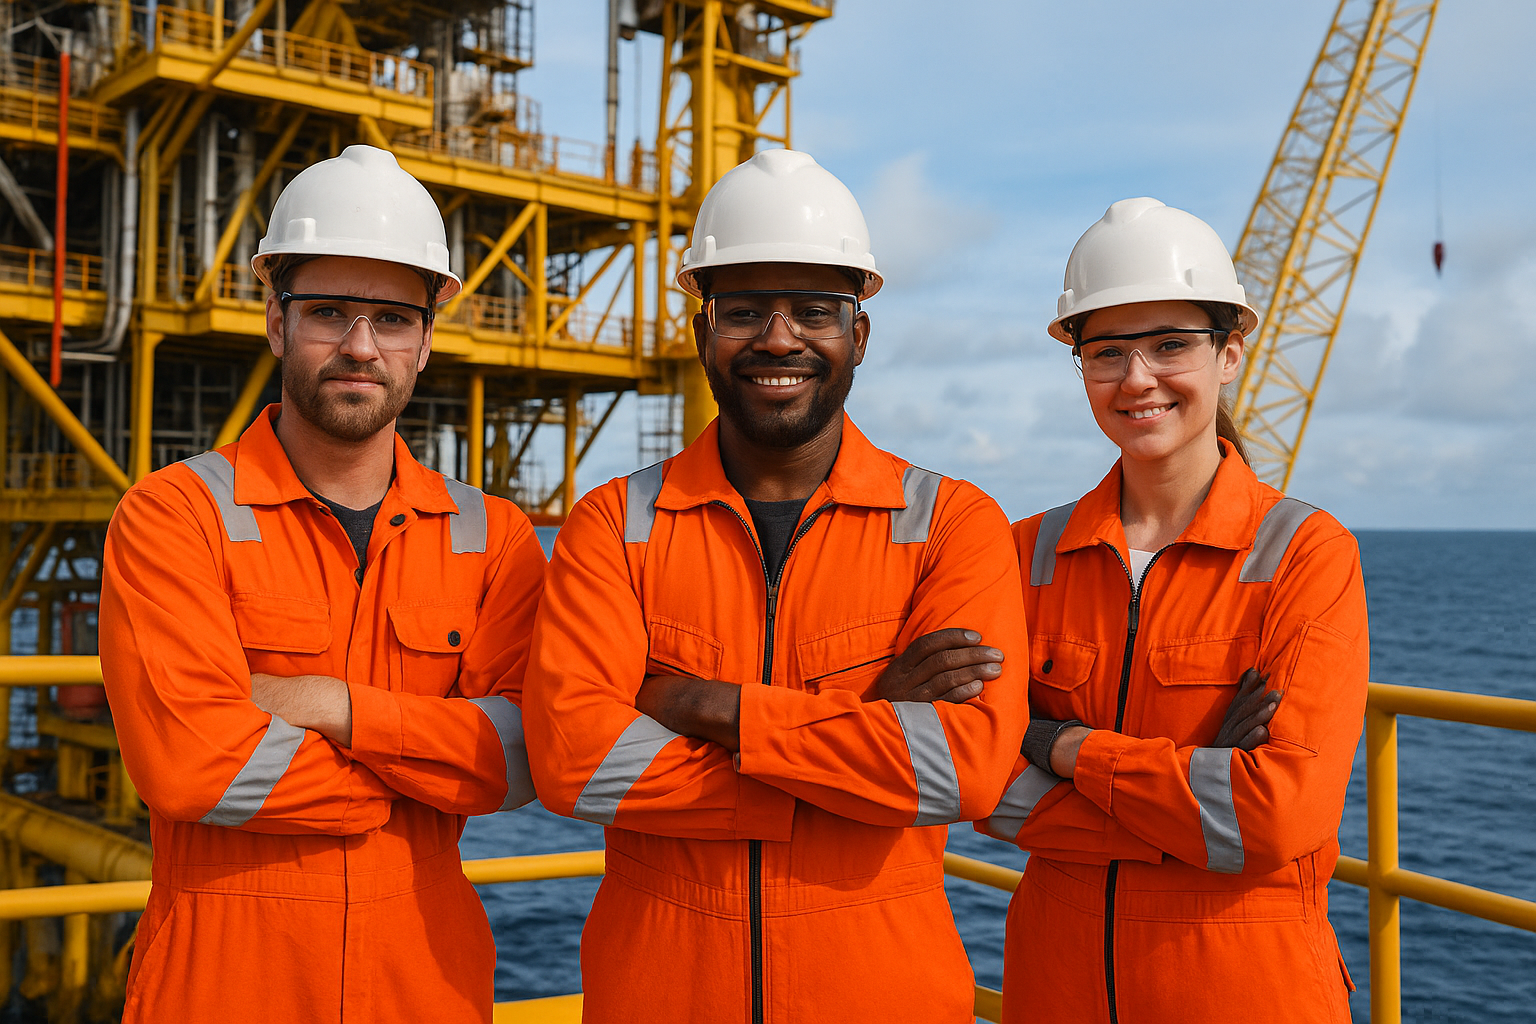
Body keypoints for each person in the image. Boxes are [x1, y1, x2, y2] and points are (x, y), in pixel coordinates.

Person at [523, 149, 1029, 1023]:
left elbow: (961, 775)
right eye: (746, 310)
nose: (779, 338)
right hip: (662, 998)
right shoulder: (613, 522)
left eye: (814, 311)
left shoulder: (951, 523)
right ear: (702, 332)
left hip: (880, 999)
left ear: (858, 336)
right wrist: (867, 722)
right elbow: (578, 766)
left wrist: (704, 705)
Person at [98, 145, 545, 1024]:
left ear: (426, 339)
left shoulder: (495, 534)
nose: (359, 346)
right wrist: (420, 777)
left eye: (391, 318)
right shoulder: (174, 514)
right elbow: (192, 770)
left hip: (427, 991)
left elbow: (525, 761)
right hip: (223, 992)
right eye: (328, 312)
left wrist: (332, 705)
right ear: (274, 321)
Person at [981, 197, 1368, 1024]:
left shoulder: (1305, 551)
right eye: (1107, 352)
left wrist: (1061, 744)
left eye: (1169, 346)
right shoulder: (1024, 553)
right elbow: (978, 782)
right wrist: (1192, 793)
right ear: (1079, 365)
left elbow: (1274, 817)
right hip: (1057, 990)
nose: (1137, 379)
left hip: (1245, 993)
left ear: (1230, 354)